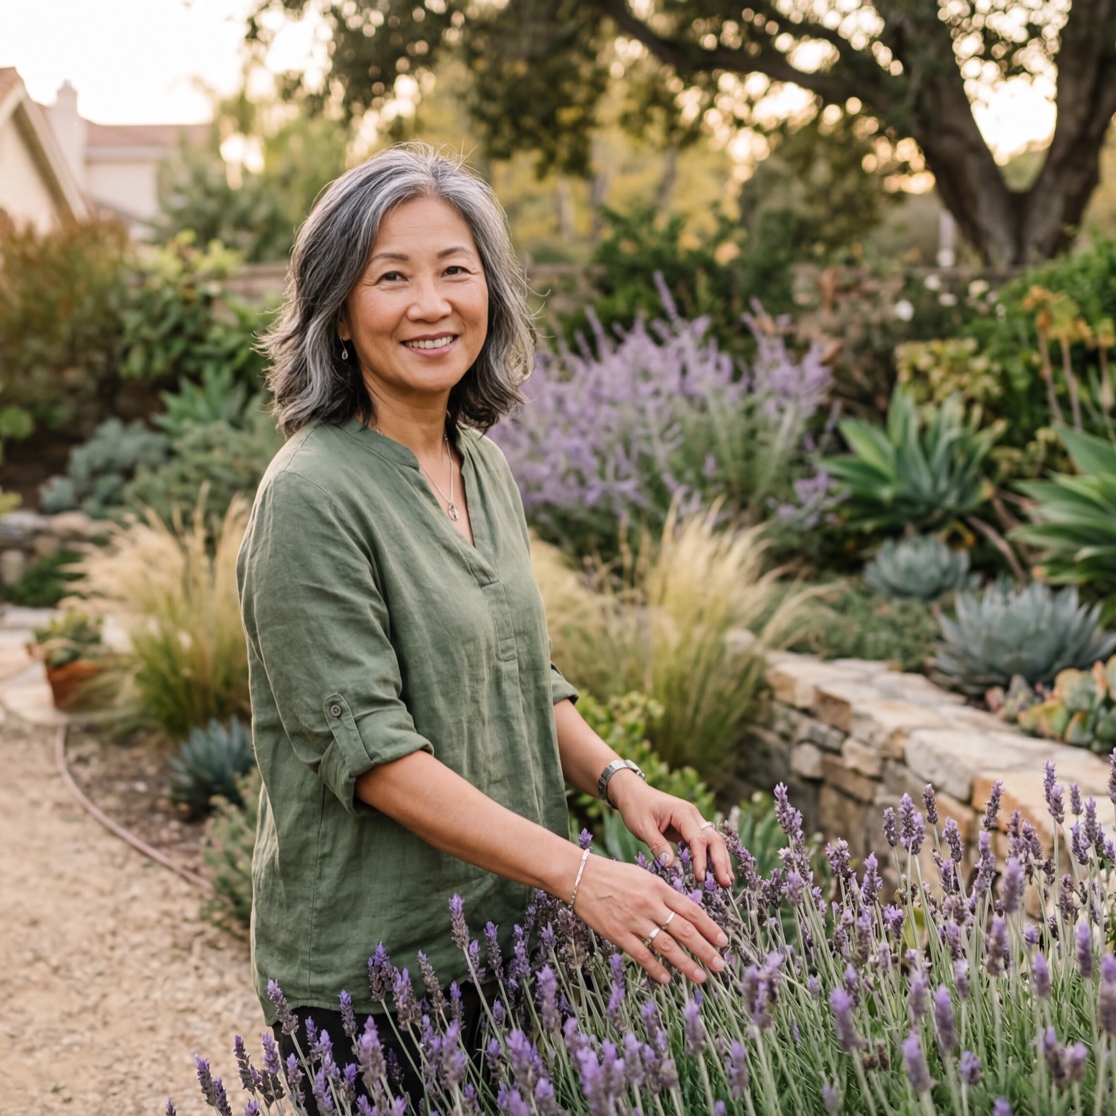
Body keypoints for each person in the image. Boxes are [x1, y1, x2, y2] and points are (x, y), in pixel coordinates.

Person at [238, 143, 735, 1103]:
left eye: (455, 270)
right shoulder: (311, 496)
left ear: (492, 294)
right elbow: (374, 756)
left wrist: (623, 783)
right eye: (392, 277)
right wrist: (584, 876)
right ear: (339, 314)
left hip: (510, 943)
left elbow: (518, 671)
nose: (431, 304)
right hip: (375, 977)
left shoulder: (481, 464)